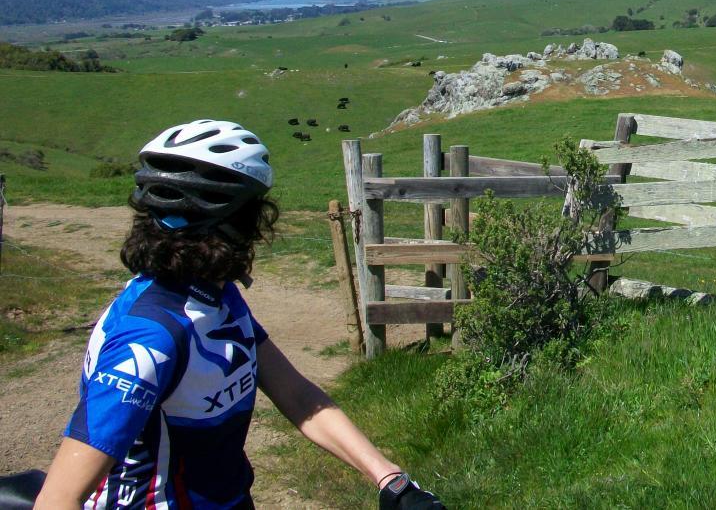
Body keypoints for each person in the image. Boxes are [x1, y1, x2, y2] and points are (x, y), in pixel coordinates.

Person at [33, 120, 444, 510]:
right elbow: (57, 499)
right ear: (237, 224)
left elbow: (297, 395)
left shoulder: (215, 296)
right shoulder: (150, 339)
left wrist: (392, 481)